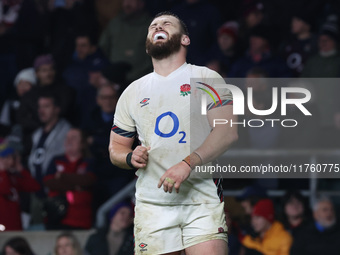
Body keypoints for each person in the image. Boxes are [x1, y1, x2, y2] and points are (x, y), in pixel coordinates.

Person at [109, 11, 237, 255]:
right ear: (148, 45)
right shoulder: (133, 91)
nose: (159, 25)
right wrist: (129, 157)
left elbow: (227, 132)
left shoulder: (207, 77)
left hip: (201, 199)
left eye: (167, 23)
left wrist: (187, 163)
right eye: (153, 25)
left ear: (184, 39)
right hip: (152, 204)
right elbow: (115, 147)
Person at [84, 85, 134, 211]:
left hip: (120, 173)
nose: (108, 101)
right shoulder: (90, 118)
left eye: (111, 97)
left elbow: (126, 142)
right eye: (104, 97)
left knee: (117, 208)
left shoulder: (127, 118)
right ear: (98, 100)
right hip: (97, 171)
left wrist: (96, 140)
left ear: (118, 99)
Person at [27, 93, 71, 229]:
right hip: (36, 191)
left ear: (57, 109)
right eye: (40, 106)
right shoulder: (37, 133)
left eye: (46, 106)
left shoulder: (67, 131)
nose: (41, 110)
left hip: (56, 191)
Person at [43, 128, 95, 230]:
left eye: (74, 138)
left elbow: (88, 181)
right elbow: (48, 182)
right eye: (67, 138)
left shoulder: (89, 162)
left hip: (81, 219)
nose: (69, 140)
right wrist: (76, 186)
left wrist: (62, 176)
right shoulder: (56, 160)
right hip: (56, 216)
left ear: (82, 143)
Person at [99, 0, 152, 82]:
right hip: (116, 80)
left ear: (141, 3)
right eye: (125, 1)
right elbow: (104, 47)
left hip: (143, 79)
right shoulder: (114, 23)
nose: (127, 4)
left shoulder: (152, 25)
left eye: (132, 1)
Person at [0, 142, 40, 231]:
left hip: (15, 226)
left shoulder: (12, 176)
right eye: (5, 158)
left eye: (11, 157)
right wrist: (2, 170)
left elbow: (35, 187)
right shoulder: (5, 175)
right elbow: (5, 190)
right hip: (2, 228)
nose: (9, 160)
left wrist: (20, 168)